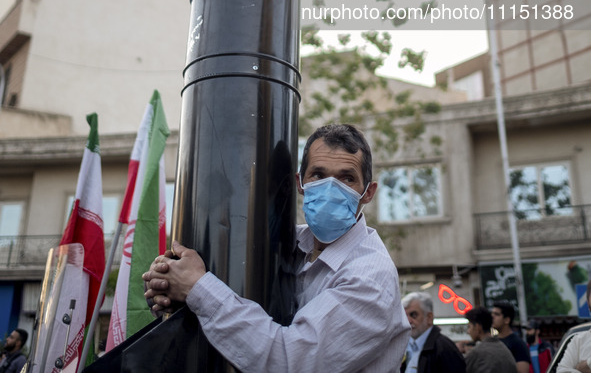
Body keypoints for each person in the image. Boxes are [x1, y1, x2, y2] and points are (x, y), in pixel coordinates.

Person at [143, 123, 411, 372]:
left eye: (346, 178)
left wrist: (198, 288)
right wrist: (169, 279)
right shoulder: (287, 243)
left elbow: (288, 360)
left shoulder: (369, 278)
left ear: (369, 192)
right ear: (300, 184)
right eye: (318, 175)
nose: (330, 189)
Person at [401, 291, 465, 372]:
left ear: (429, 317)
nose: (408, 321)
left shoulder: (445, 348)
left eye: (413, 315)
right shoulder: (404, 346)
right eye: (404, 316)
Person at [464, 306, 517, 372]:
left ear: (477, 327)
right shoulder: (504, 349)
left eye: (469, 327)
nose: (468, 332)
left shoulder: (476, 353)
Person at [557, 278, 591, 373]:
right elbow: (562, 371)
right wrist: (589, 363)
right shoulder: (578, 341)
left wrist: (581, 367)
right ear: (588, 304)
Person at [492, 300, 531, 373]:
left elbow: (523, 370)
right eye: (492, 314)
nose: (492, 317)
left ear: (507, 320)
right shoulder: (492, 341)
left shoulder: (518, 344)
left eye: (496, 314)